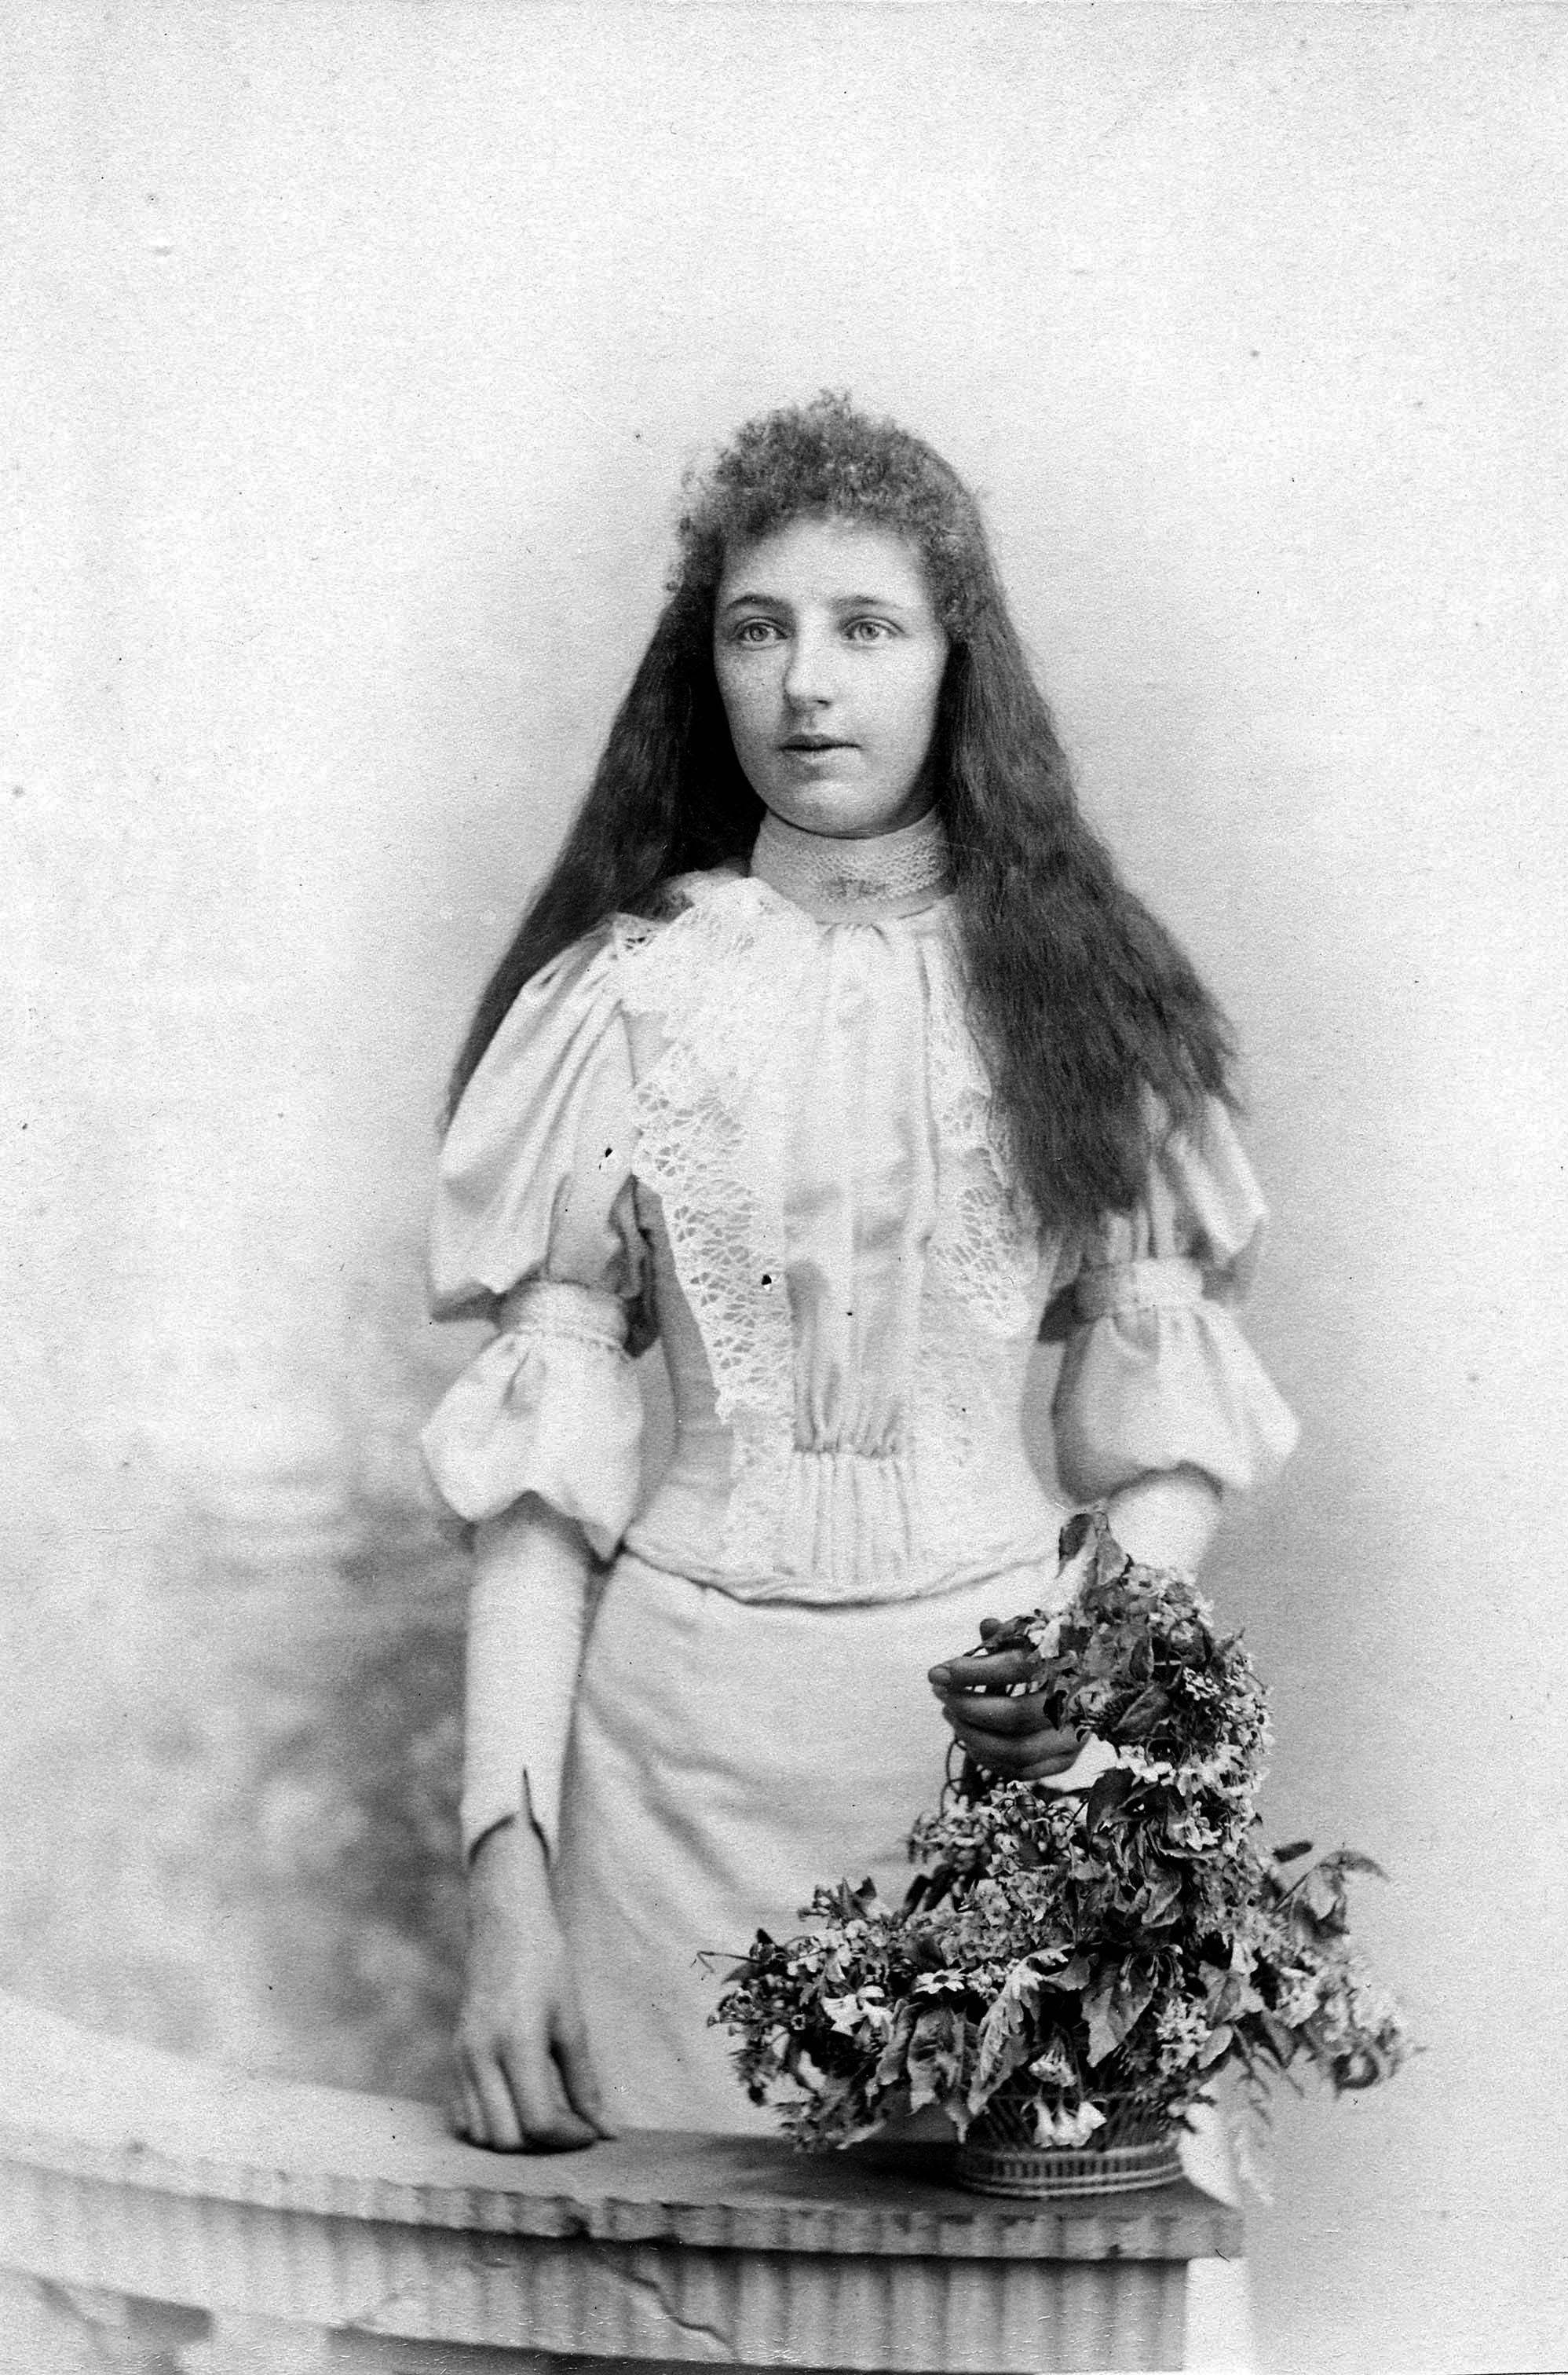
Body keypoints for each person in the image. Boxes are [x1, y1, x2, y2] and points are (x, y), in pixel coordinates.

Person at [422, 393, 1298, 2153]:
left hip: (997, 1781)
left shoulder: (1082, 1003)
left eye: (862, 628)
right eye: (759, 632)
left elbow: (1169, 1443)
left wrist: (1065, 1757)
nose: (805, 685)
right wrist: (506, 1897)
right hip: (665, 1784)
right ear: (711, 667)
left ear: (951, 664)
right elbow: (534, 1497)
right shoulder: (619, 1002)